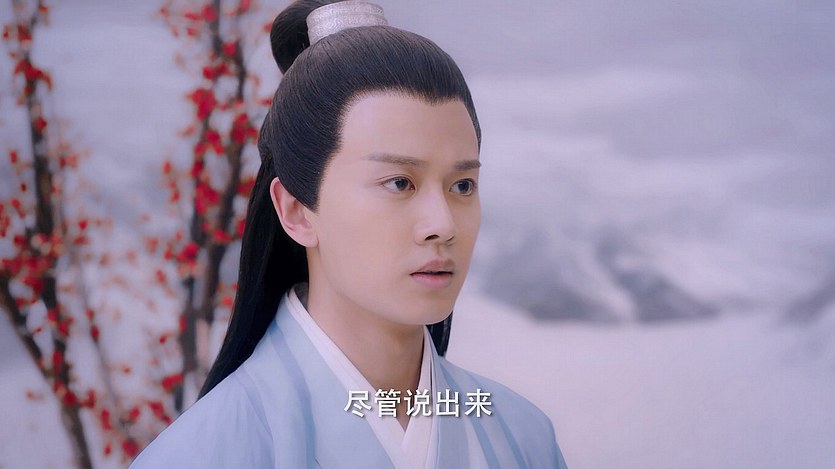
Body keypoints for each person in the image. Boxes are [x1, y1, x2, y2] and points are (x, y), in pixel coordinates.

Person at [131, 1, 567, 467]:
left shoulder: (524, 437)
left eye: (462, 185)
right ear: (297, 211)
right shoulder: (200, 454)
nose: (442, 224)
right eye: (399, 183)